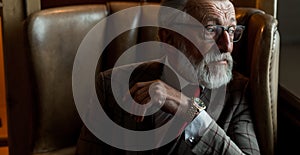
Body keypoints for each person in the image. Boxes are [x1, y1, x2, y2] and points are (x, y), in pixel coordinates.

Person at [76, 0, 260, 154]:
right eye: (211, 30)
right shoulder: (111, 83)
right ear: (169, 38)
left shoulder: (239, 92)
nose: (227, 46)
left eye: (231, 30)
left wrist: (190, 111)